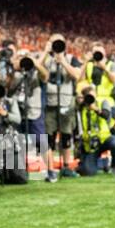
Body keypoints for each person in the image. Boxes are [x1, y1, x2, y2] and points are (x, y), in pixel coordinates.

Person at [40, 34, 79, 181]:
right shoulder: (46, 59)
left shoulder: (70, 58)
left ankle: (67, 166)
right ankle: (50, 169)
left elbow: (76, 74)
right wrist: (45, 52)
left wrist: (62, 61)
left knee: (66, 135)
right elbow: (37, 67)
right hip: (49, 103)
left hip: (65, 102)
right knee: (48, 137)